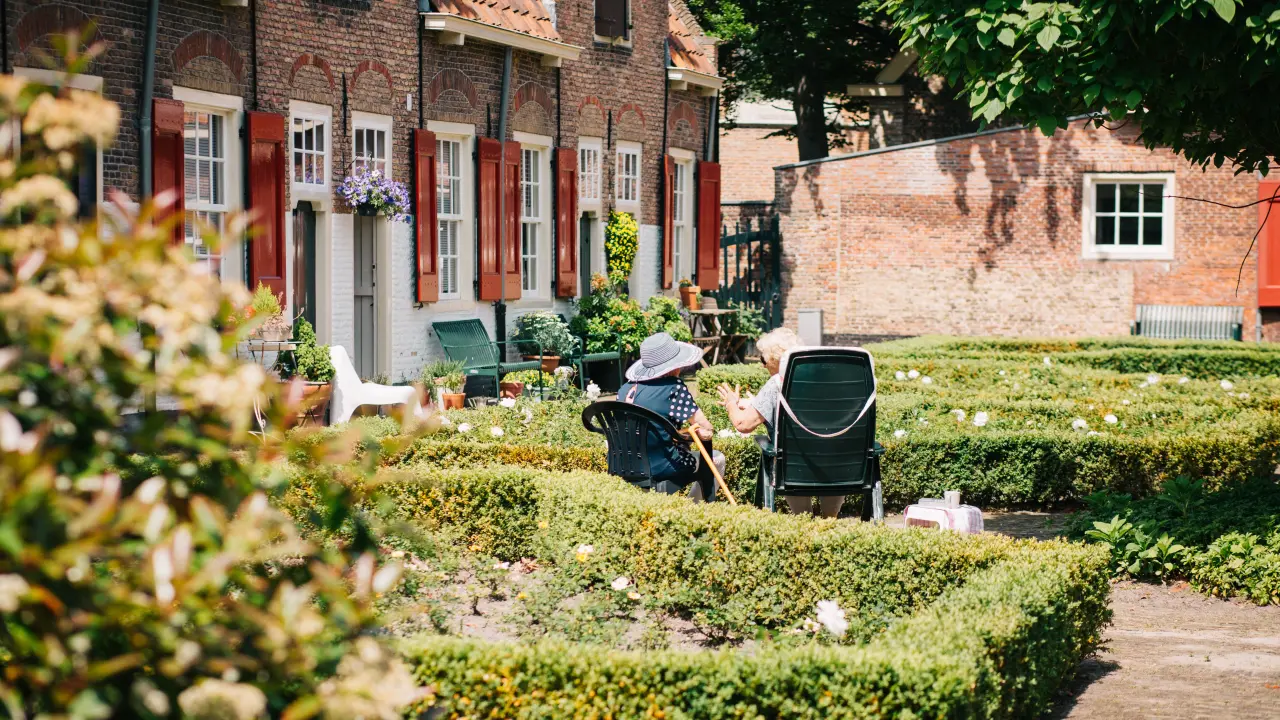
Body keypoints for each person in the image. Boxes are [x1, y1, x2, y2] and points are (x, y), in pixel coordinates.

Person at [716, 327, 845, 518]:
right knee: (828, 518)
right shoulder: (828, 381)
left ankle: (804, 521)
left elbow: (743, 424)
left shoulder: (777, 383)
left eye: (763, 360)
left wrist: (730, 403)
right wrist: (757, 404)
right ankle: (829, 519)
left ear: (776, 359)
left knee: (803, 516)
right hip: (838, 466)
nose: (762, 365)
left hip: (795, 468)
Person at [618, 332, 725, 501]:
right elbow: (706, 427)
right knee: (718, 458)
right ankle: (694, 508)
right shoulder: (673, 388)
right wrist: (688, 434)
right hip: (661, 466)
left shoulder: (624, 389)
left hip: (622, 465)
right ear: (674, 366)